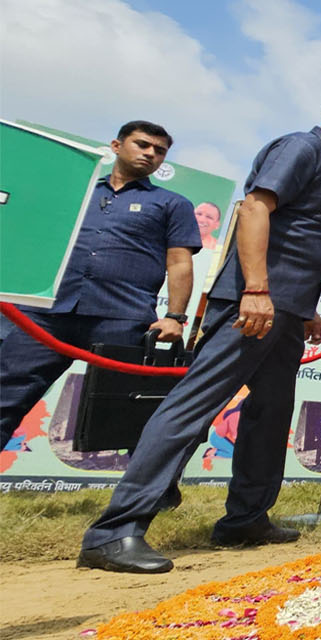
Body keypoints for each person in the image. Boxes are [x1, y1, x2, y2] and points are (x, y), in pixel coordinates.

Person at [79, 95, 321, 573]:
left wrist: (303, 310)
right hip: (255, 304)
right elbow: (255, 210)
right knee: (193, 405)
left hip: (286, 311)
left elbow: (300, 239)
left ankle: (246, 517)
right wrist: (257, 289)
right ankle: (115, 530)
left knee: (270, 414)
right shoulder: (303, 148)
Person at [2, 121, 201, 448]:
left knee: (131, 412)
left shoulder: (172, 203)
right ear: (116, 146)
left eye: (159, 151)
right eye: (142, 145)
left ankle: (150, 493)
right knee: (5, 398)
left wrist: (175, 317)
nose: (150, 154)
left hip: (122, 319)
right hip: (45, 314)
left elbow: (179, 262)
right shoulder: (77, 192)